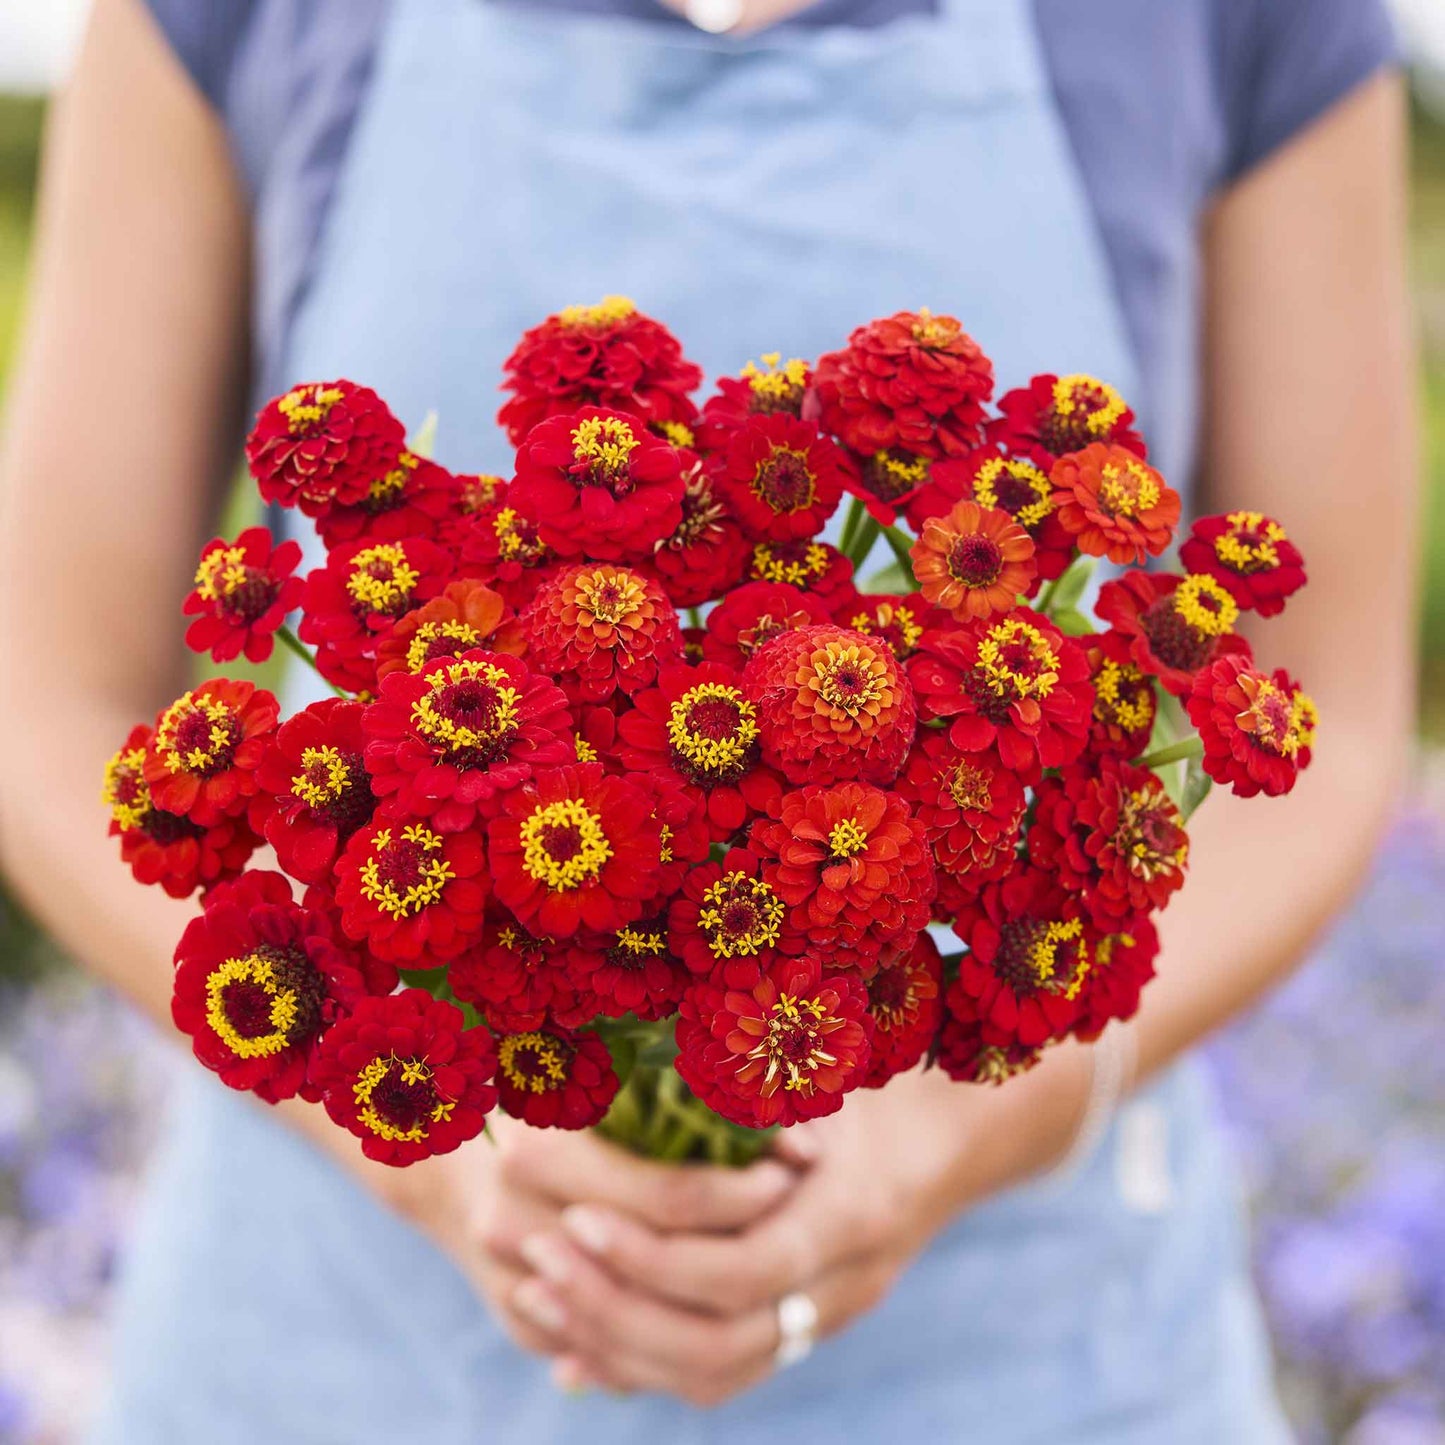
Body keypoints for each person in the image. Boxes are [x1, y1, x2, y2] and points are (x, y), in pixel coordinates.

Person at [0, 0, 1416, 1438]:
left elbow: (1330, 714)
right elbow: (44, 699)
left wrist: (978, 1118)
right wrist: (422, 1135)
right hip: (347, 1338)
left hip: (1016, 1351)